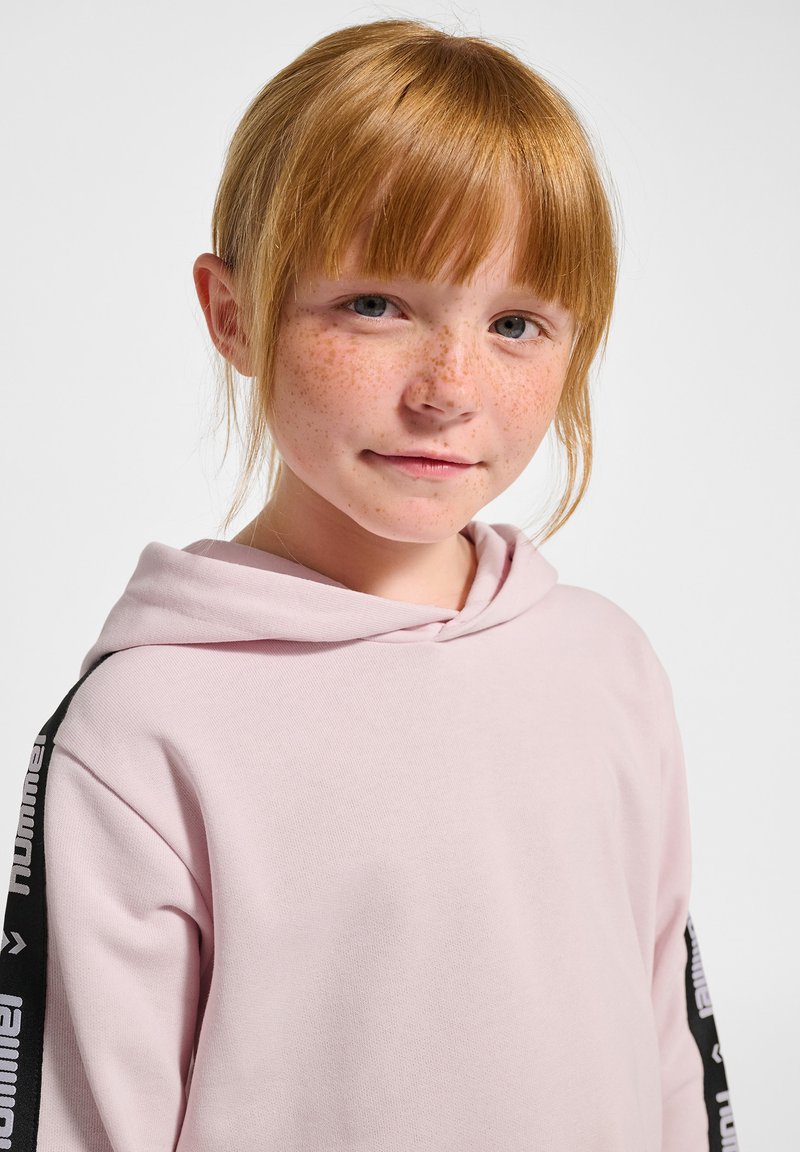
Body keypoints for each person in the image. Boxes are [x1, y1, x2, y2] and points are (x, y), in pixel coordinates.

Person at [0, 18, 738, 1152]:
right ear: (232, 313)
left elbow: (670, 1050)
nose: (448, 389)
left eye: (514, 323)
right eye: (375, 306)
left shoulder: (608, 666)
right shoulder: (145, 728)